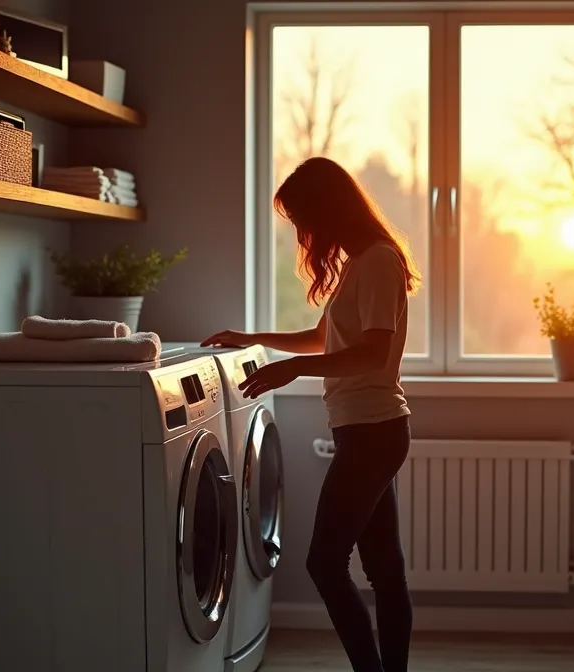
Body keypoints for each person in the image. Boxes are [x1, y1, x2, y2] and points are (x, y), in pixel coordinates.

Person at [203, 156, 421, 672]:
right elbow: (325, 337)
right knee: (384, 570)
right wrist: (256, 338)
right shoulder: (360, 262)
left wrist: (294, 370)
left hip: (374, 431)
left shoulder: (379, 262)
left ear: (326, 209)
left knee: (325, 565)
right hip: (365, 431)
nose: (301, 231)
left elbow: (373, 353)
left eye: (302, 217)